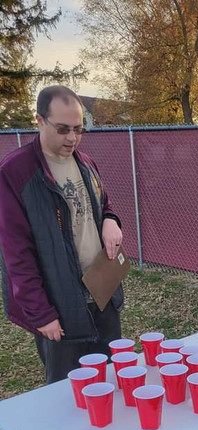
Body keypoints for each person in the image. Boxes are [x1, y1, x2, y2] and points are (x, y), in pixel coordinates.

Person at [0, 85, 124, 384]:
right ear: (39, 121)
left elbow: (103, 205)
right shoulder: (15, 172)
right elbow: (15, 253)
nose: (72, 138)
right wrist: (41, 313)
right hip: (59, 300)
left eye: (79, 129)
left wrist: (111, 220)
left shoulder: (85, 163)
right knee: (68, 390)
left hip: (101, 288)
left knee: (109, 379)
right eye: (63, 129)